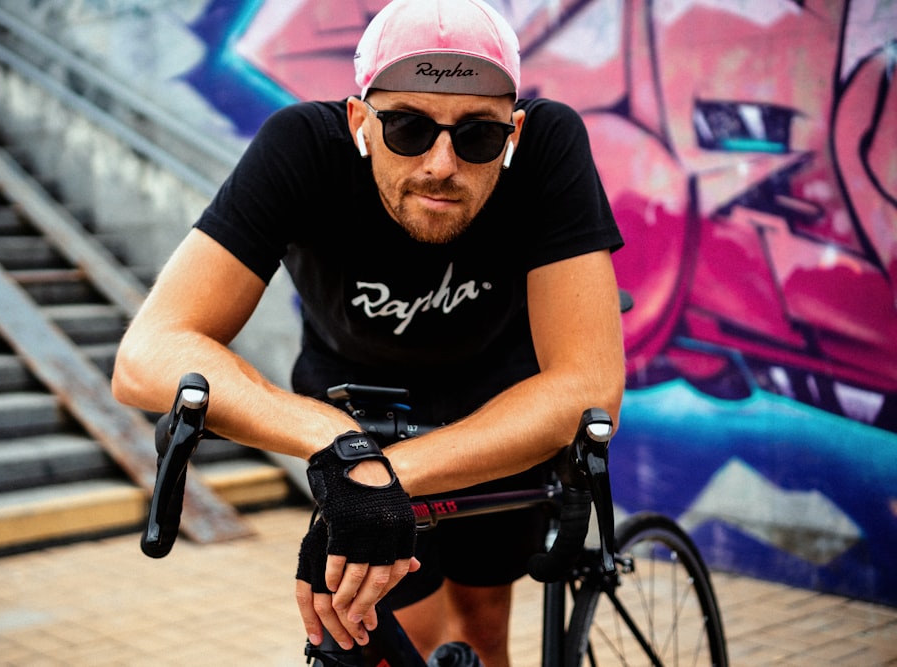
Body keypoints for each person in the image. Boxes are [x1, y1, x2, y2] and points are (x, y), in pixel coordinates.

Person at [112, 0, 625, 664]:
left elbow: (589, 384)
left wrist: (382, 475)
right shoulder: (302, 148)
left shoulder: (550, 145)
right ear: (360, 122)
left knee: (483, 622)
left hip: (499, 410)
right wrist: (338, 443)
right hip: (361, 406)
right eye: (407, 128)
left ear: (514, 133)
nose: (442, 164)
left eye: (478, 137)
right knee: (399, 635)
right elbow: (145, 355)